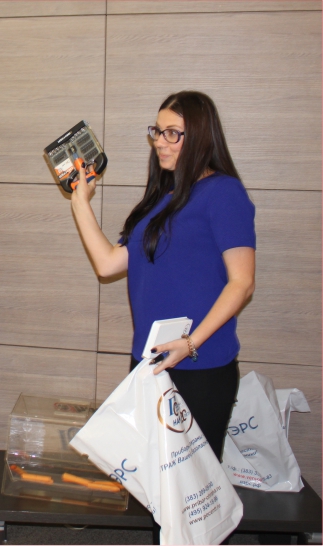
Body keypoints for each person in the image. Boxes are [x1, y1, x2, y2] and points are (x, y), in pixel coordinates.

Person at [69, 91, 255, 542]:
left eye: (173, 133)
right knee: (161, 495)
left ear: (202, 136)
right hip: (151, 366)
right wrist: (80, 201)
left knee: (192, 499)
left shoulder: (224, 193)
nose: (160, 142)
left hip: (199, 366)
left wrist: (191, 342)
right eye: (157, 131)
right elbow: (108, 264)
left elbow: (242, 283)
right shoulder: (163, 199)